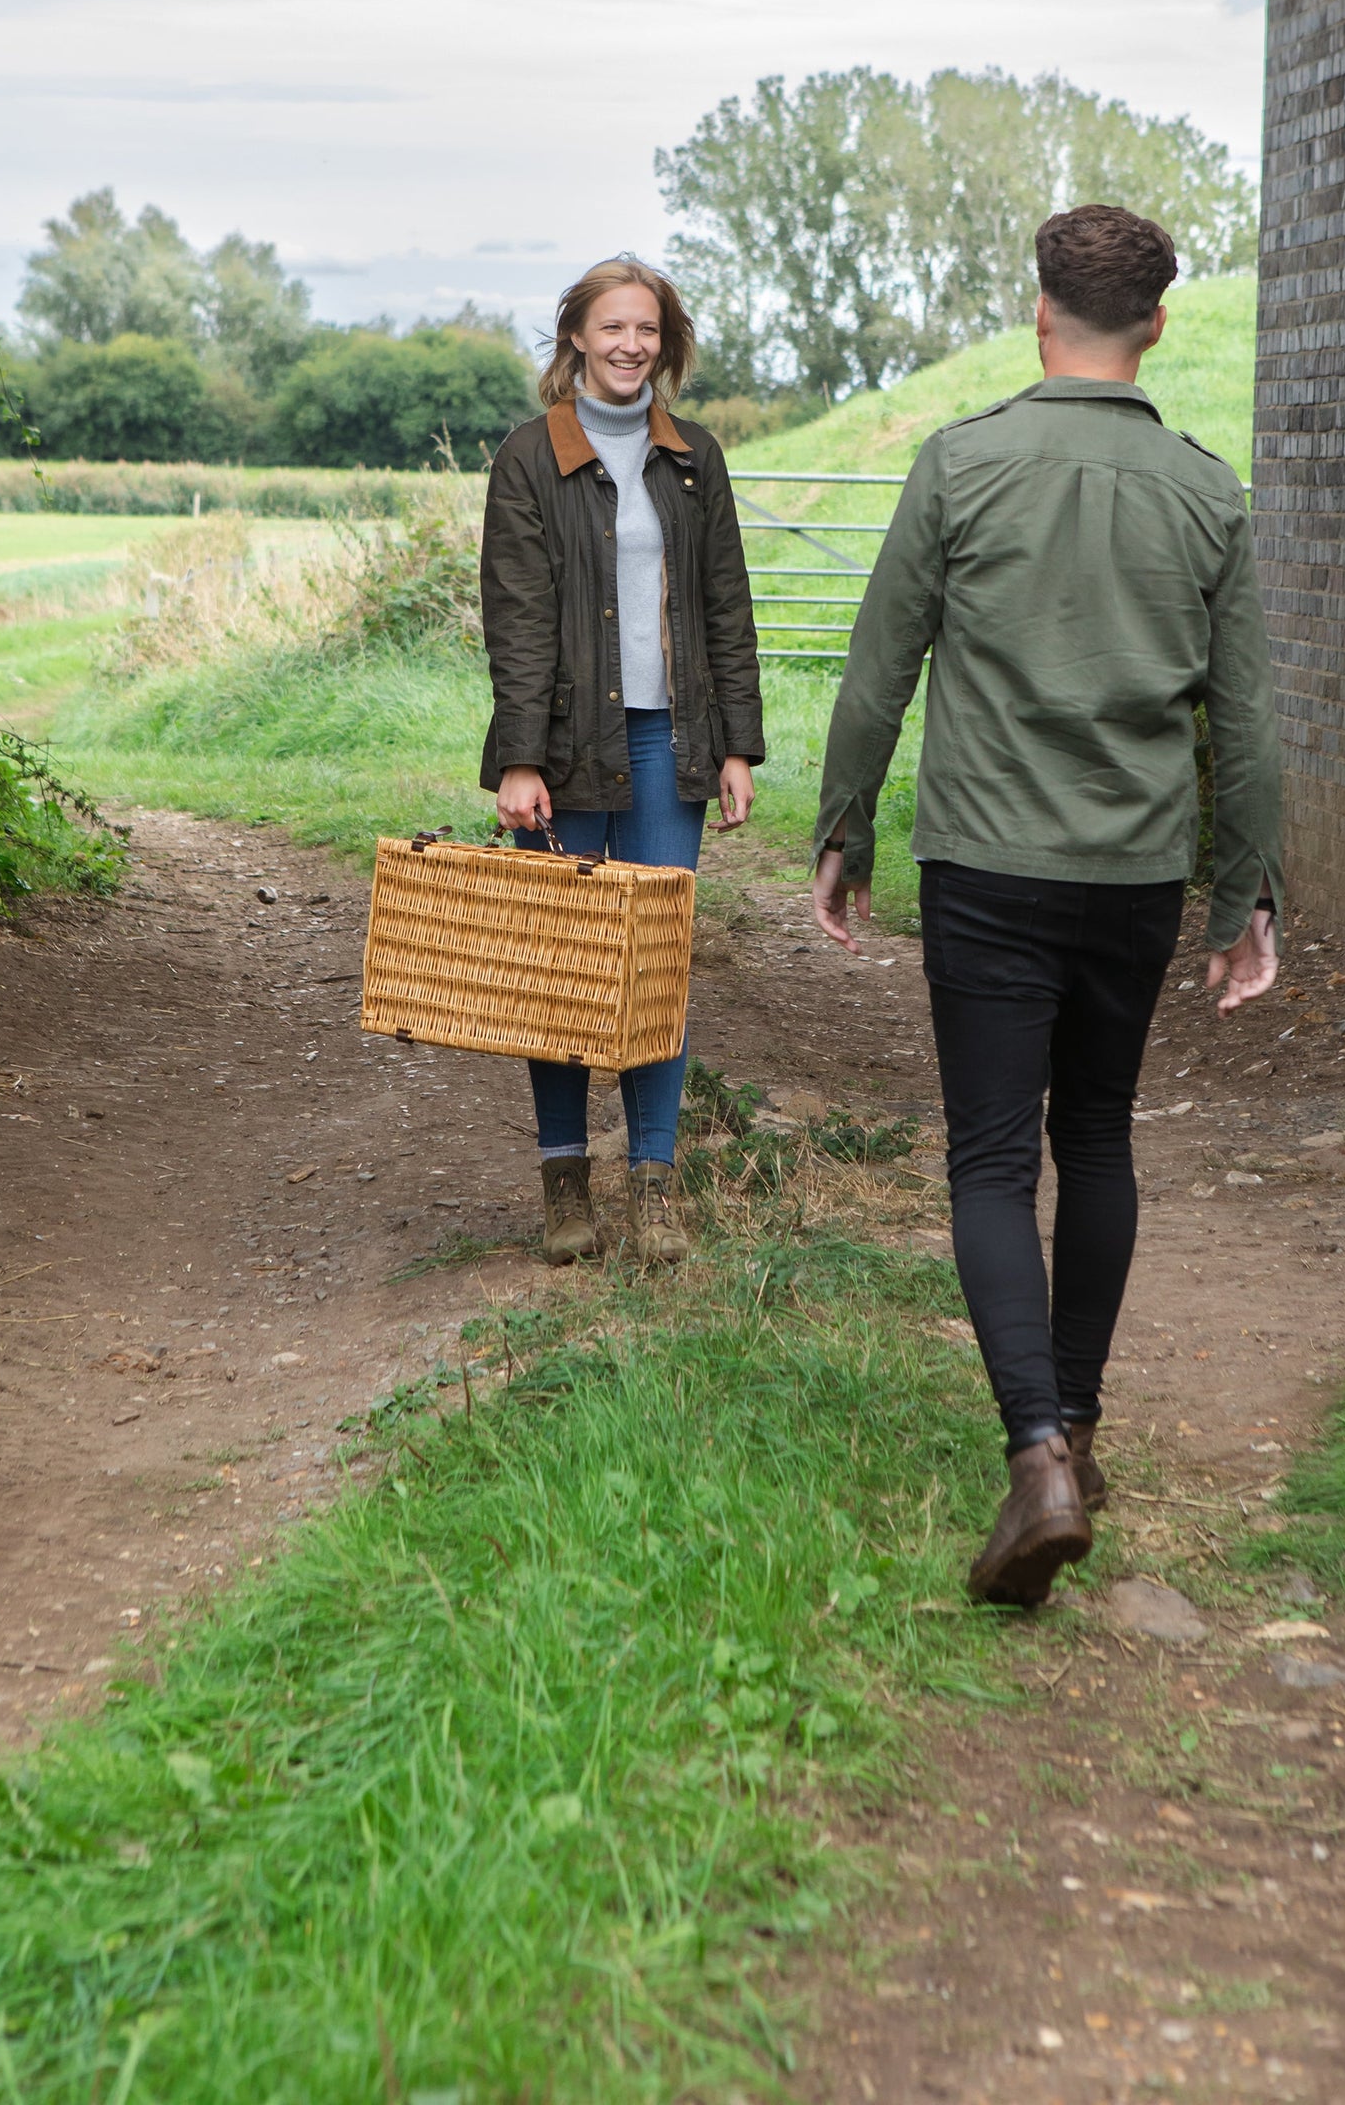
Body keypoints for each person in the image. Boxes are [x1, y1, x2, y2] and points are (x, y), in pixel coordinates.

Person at [811, 205, 1282, 1609]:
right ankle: (1076, 1425)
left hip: (988, 864)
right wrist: (1245, 895)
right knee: (1098, 1136)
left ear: (1039, 315)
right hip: (1134, 873)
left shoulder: (960, 464)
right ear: (1157, 325)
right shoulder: (1206, 492)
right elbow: (1251, 724)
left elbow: (878, 669)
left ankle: (1035, 1457)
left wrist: (844, 829)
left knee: (992, 1160)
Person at [480, 257, 764, 1265]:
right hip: (562, 747)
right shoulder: (529, 458)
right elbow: (516, 621)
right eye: (612, 328)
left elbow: (726, 606)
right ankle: (565, 1186)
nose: (630, 346)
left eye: (647, 330)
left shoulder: (694, 459)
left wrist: (737, 743)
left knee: (655, 966)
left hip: (667, 742)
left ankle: (653, 1186)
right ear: (577, 337)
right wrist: (521, 759)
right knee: (560, 965)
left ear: (665, 345)